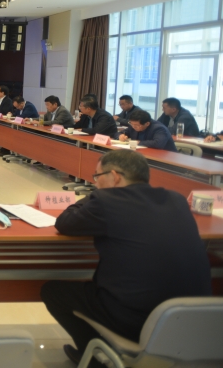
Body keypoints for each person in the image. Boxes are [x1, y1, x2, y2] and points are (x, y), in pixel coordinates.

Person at [40, 150, 211, 367]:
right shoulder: (177, 199)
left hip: (140, 322)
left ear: (114, 176)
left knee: (53, 292)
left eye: (97, 177)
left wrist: (97, 194)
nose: (96, 182)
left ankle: (92, 358)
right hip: (195, 319)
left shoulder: (106, 201)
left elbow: (65, 222)